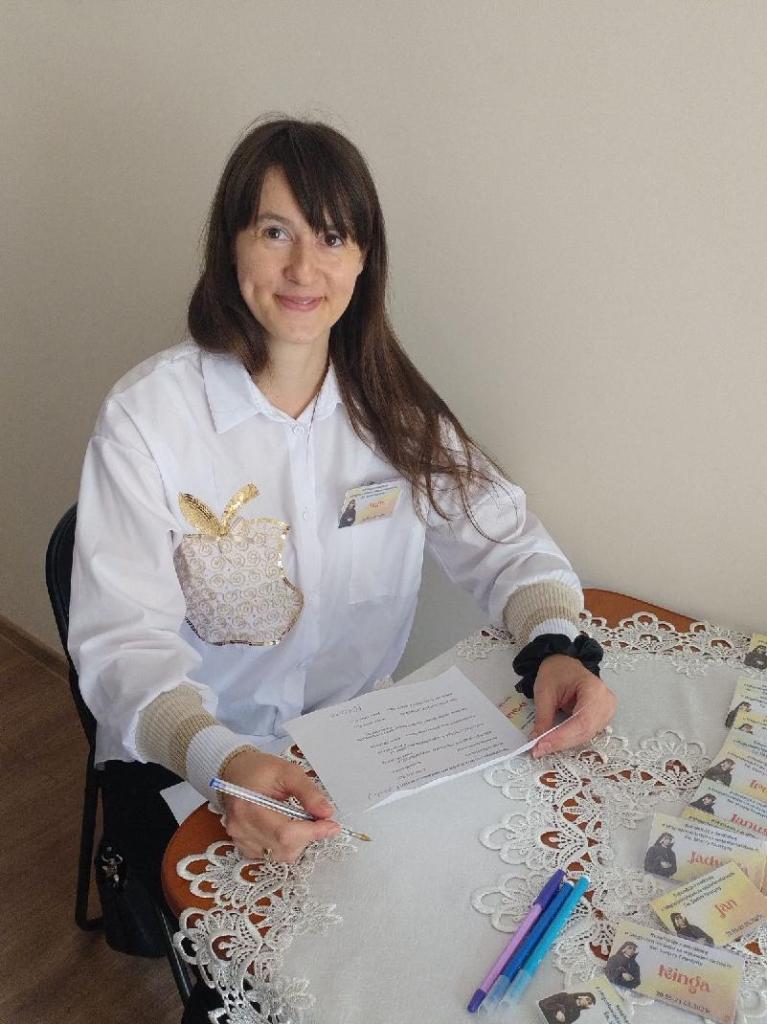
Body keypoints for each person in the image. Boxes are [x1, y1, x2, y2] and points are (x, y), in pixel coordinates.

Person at [68, 118, 616, 1016]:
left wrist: (557, 645)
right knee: (277, 984)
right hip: (189, 756)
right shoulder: (149, 418)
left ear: (364, 260)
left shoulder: (392, 406)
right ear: (230, 245)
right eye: (273, 231)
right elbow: (119, 646)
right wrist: (223, 763)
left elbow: (505, 539)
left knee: (448, 940)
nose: (302, 268)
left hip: (355, 747)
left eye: (331, 237)